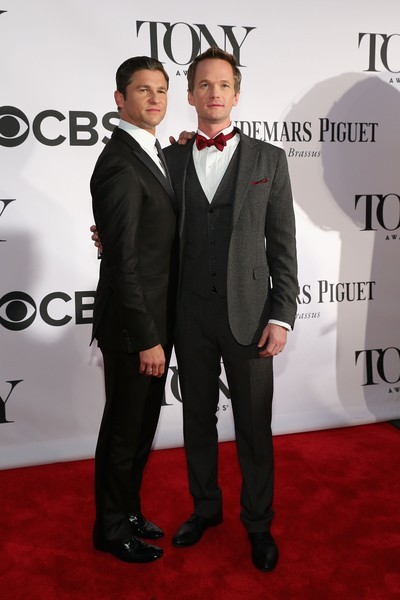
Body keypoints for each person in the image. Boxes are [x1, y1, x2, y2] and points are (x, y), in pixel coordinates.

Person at [164, 47, 298, 573]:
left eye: (223, 85)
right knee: (196, 419)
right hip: (189, 314)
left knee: (254, 427)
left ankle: (259, 523)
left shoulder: (270, 160)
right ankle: (205, 509)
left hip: (251, 316)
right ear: (191, 95)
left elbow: (282, 244)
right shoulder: (172, 159)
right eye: (204, 84)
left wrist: (281, 315)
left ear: (236, 95)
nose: (214, 93)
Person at [90, 56, 178, 563]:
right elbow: (122, 260)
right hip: (133, 327)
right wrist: (146, 337)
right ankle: (109, 529)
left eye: (161, 89)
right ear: (120, 99)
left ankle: (127, 511)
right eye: (143, 90)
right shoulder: (119, 162)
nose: (154, 98)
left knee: (142, 427)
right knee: (123, 431)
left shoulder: (153, 152)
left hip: (155, 321)